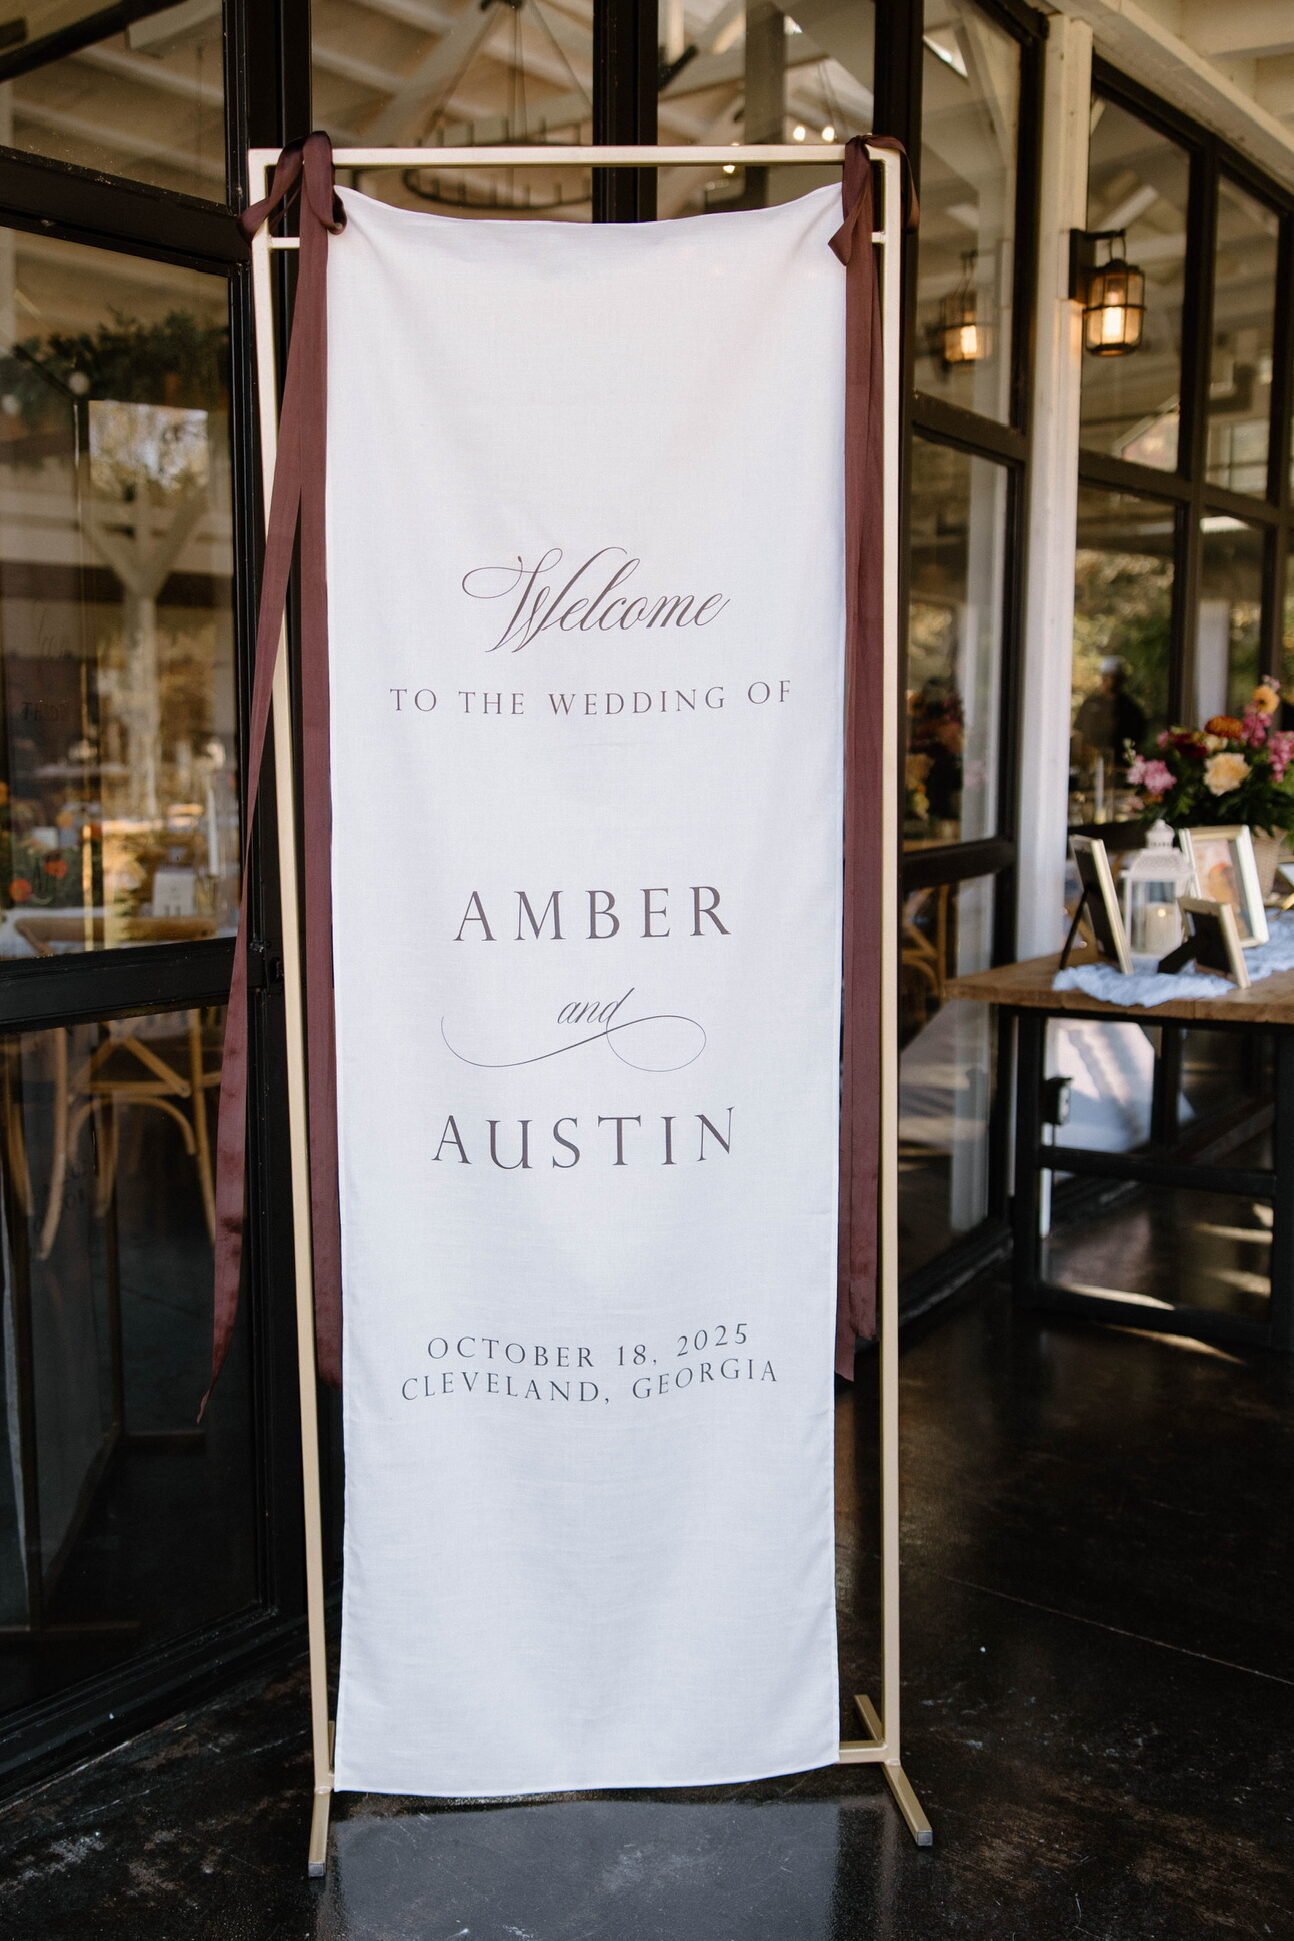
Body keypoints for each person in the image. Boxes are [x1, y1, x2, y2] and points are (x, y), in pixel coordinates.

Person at [1075, 656, 1149, 762]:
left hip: (1118, 765)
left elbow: (1138, 743)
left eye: (1111, 677)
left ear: (1121, 680)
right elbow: (1078, 733)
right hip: (1090, 764)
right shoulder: (1090, 703)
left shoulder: (1131, 708)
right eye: (1104, 676)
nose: (1106, 680)